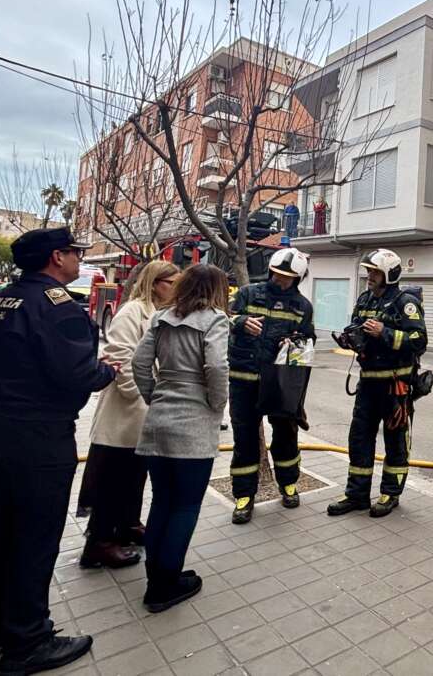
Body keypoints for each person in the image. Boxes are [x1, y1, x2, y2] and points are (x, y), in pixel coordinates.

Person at [0, 228, 118, 673]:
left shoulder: (2, 300)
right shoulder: (57, 307)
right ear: (57, 257)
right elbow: (77, 375)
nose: (79, 260)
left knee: (1, 524)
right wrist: (105, 371)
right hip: (39, 431)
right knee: (36, 535)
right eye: (76, 253)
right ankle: (27, 641)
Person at [132, 264, 230, 613]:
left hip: (159, 419)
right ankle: (165, 584)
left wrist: (153, 397)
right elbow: (217, 367)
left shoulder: (160, 318)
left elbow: (139, 364)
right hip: (193, 423)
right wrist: (217, 404)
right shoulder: (215, 320)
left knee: (161, 502)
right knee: (186, 506)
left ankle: (154, 575)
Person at [79, 260, 181, 570]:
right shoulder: (132, 312)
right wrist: (141, 399)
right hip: (127, 412)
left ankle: (128, 526)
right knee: (113, 478)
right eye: (172, 282)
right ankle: (99, 543)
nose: (176, 288)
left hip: (148, 412)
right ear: (155, 283)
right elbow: (118, 359)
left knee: (136, 476)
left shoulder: (164, 313)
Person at [326, 249, 426, 519]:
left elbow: (419, 340)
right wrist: (350, 338)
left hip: (396, 386)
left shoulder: (405, 303)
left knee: (395, 441)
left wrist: (386, 333)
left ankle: (390, 494)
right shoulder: (365, 298)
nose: (369, 276)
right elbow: (356, 326)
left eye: (375, 272)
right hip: (368, 383)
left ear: (389, 275)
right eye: (369, 271)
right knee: (359, 439)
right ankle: (356, 495)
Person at [227, 248, 315, 524]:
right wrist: (241, 322)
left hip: (279, 384)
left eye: (287, 277)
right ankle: (244, 496)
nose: (280, 280)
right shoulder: (247, 294)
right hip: (244, 381)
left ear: (298, 279)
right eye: (277, 274)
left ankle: (288, 484)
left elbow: (307, 343)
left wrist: (297, 340)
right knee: (245, 439)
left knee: (286, 434)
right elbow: (222, 319)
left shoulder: (303, 306)